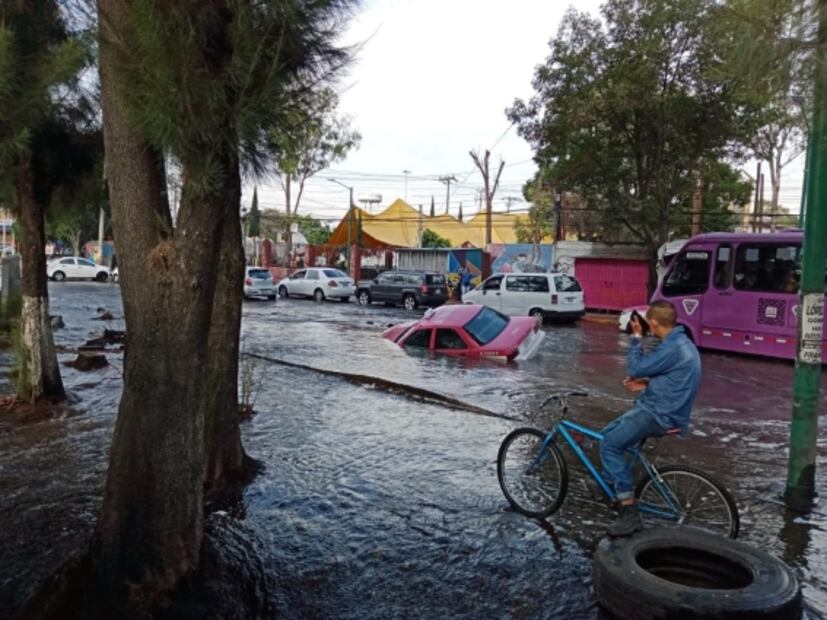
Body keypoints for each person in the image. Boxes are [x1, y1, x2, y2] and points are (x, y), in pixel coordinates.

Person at [600, 300, 701, 537]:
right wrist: (648, 384)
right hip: (666, 407)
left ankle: (628, 510)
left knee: (609, 446)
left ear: (653, 323)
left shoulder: (671, 348)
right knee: (606, 432)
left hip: (659, 414)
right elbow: (677, 379)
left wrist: (636, 336)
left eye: (648, 324)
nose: (648, 327)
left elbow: (635, 368)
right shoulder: (682, 342)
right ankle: (615, 483)